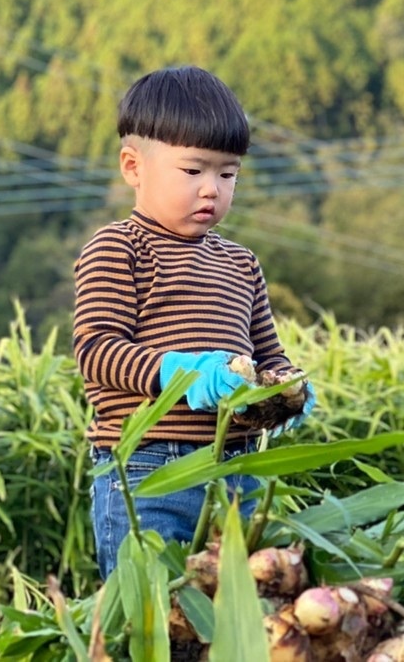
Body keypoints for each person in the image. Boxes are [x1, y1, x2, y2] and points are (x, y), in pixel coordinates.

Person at [73, 65, 314, 579]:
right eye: (193, 171)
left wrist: (288, 389)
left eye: (228, 175)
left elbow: (267, 355)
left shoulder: (240, 263)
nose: (211, 190)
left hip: (238, 468)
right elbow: (95, 350)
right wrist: (181, 373)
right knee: (154, 608)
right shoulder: (119, 248)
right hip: (147, 471)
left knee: (237, 608)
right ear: (133, 167)